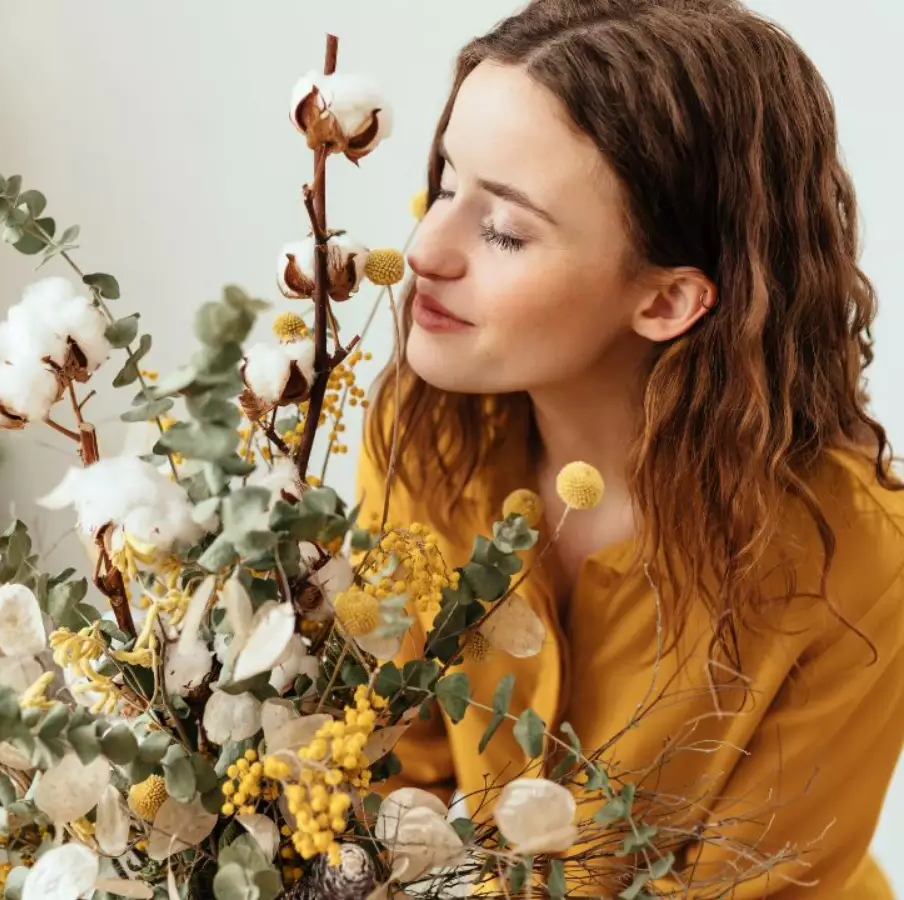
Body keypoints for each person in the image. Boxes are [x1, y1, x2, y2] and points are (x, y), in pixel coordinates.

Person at [355, 1, 904, 896]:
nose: (424, 249)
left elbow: (756, 885)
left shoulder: (855, 554)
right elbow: (392, 780)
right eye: (447, 182)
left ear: (667, 302)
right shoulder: (423, 436)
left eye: (504, 230)